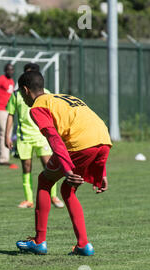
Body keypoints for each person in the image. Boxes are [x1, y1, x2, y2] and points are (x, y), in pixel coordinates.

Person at [15, 71, 112, 256]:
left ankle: (39, 241)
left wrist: (66, 168)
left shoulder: (37, 107)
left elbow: (53, 138)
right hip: (104, 139)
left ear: (26, 90)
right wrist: (101, 171)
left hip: (80, 144)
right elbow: (91, 126)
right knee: (68, 190)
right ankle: (83, 245)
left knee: (44, 181)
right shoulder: (63, 97)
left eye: (21, 94)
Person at [5, 63, 64, 209]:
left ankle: (53, 196)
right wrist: (7, 135)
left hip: (41, 136)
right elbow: (11, 115)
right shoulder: (17, 95)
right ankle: (29, 199)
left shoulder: (46, 93)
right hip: (24, 136)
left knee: (49, 165)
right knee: (26, 167)